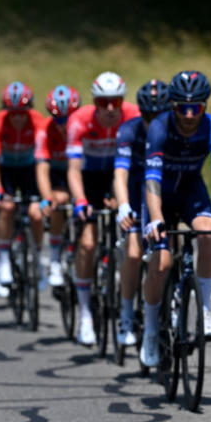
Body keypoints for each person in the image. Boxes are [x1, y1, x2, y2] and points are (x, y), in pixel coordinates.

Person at [139, 70, 211, 368]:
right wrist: (154, 219)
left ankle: (204, 309)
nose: (189, 116)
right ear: (172, 107)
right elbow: (151, 178)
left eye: (196, 108)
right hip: (159, 195)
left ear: (205, 107)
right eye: (182, 108)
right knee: (161, 263)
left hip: (191, 191)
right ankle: (151, 331)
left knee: (206, 234)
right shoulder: (160, 128)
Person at [66, 72, 140, 346]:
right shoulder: (80, 120)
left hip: (119, 177)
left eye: (116, 102)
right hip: (89, 180)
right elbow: (73, 170)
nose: (110, 108)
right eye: (103, 102)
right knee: (87, 243)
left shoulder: (132, 115)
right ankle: (86, 314)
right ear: (95, 101)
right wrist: (81, 200)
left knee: (131, 241)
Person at [113, 79, 169, 347]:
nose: (153, 122)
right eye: (148, 116)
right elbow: (120, 173)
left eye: (159, 116)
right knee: (134, 254)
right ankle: (125, 313)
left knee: (171, 249)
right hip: (136, 190)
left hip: (163, 190)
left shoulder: (175, 131)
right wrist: (123, 205)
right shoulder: (128, 130)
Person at [0, 82, 47, 297]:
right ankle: (2, 263)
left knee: (36, 214)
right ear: (6, 110)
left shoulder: (38, 122)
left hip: (29, 169)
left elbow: (41, 160)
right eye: (13, 113)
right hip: (4, 169)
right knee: (7, 208)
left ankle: (37, 259)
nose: (18, 118)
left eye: (22, 113)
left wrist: (43, 196)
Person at [35, 85, 81, 288]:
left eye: (68, 118)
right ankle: (54, 258)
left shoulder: (83, 127)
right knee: (59, 201)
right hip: (58, 175)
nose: (63, 124)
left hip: (80, 173)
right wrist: (47, 197)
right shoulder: (44, 131)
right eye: (58, 119)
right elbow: (42, 169)